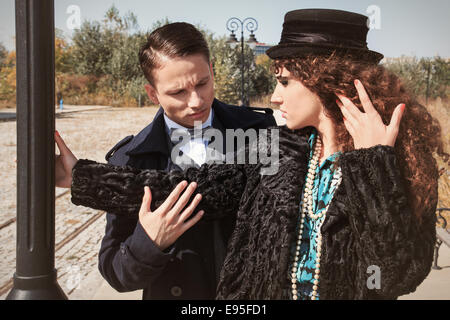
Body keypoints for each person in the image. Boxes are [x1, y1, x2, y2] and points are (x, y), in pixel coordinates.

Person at [59, 9, 446, 299]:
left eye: (284, 81)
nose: (275, 96)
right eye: (177, 91)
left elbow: (397, 273)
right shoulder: (275, 147)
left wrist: (373, 163)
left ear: (325, 81)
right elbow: (187, 190)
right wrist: (80, 176)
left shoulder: (398, 162)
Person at [55, 22, 276, 300]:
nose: (196, 101)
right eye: (178, 92)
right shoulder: (130, 158)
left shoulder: (257, 130)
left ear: (212, 72)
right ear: (152, 93)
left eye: (202, 83)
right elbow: (115, 273)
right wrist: (149, 242)